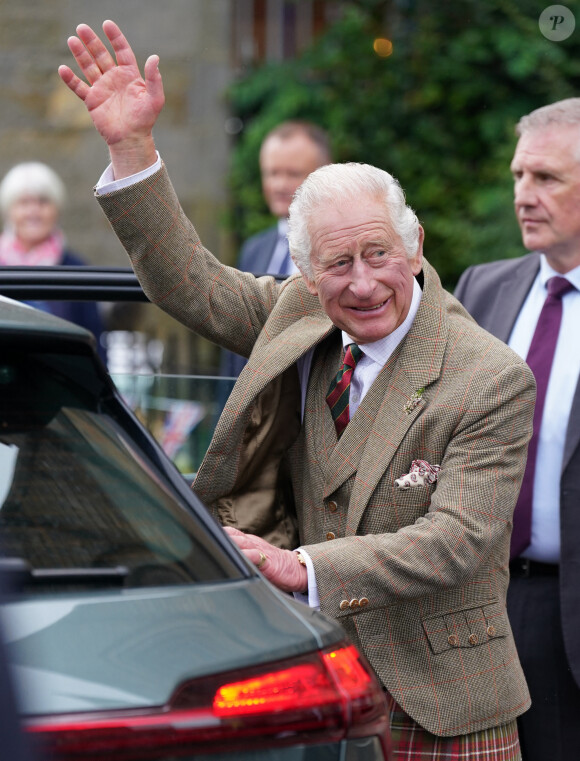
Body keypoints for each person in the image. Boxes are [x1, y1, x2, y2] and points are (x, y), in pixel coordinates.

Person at [59, 20, 536, 758]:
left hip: (443, 706)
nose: (364, 280)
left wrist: (301, 566)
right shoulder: (301, 311)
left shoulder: (489, 376)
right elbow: (191, 283)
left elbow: (458, 543)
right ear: (307, 274)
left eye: (380, 252)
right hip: (312, 680)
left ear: (415, 247)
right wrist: (132, 147)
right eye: (338, 263)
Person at [454, 98, 580, 761]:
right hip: (477, 612)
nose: (523, 196)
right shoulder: (483, 289)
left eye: (547, 178)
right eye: (517, 176)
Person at [222, 120, 332, 377]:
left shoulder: (341, 248)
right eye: (272, 173)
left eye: (293, 173)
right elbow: (234, 345)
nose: (280, 185)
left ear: (324, 174)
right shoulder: (254, 249)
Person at [0, 161, 106, 360]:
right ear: (9, 211)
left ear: (56, 210)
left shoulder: (76, 268)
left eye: (42, 202)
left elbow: (93, 343)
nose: (34, 212)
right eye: (23, 202)